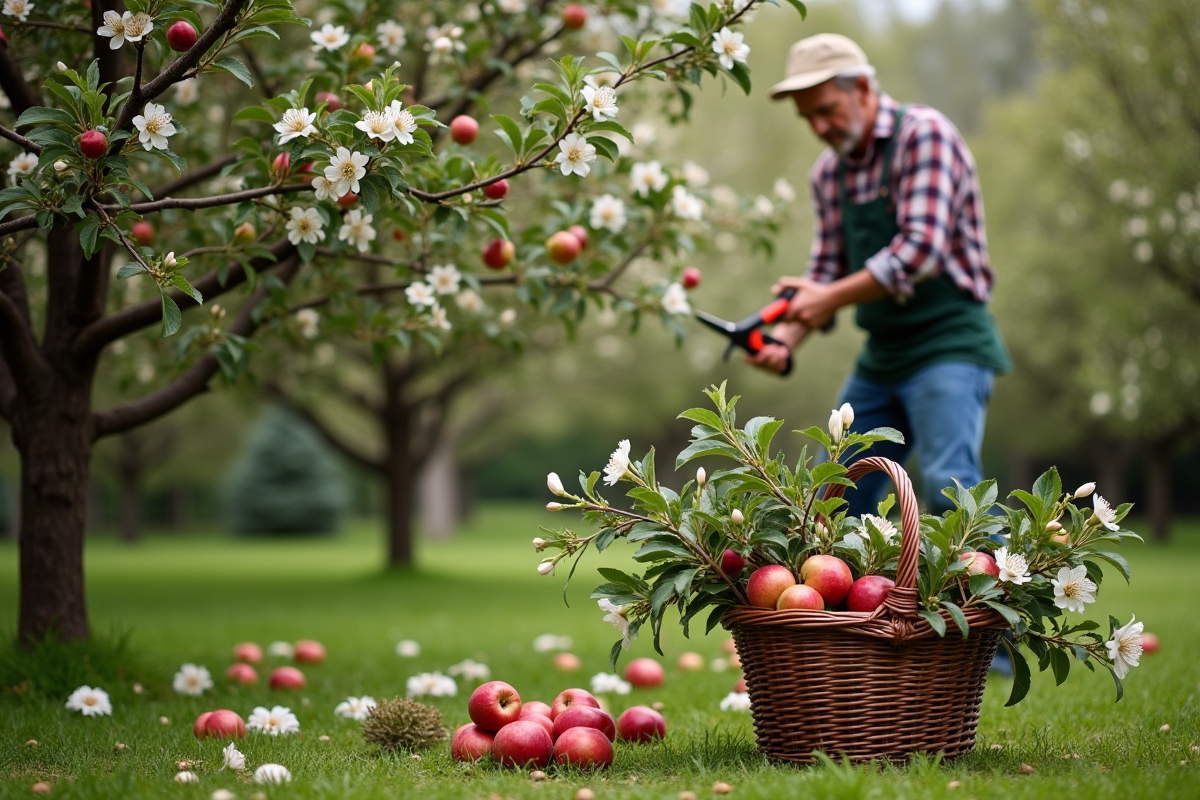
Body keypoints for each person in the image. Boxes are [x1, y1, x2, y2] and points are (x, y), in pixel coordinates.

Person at [747, 34, 1010, 518]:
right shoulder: (828, 174)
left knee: (949, 486)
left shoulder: (924, 135)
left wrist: (827, 298)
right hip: (883, 354)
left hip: (949, 341)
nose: (819, 126)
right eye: (808, 117)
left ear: (864, 88)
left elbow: (919, 251)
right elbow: (826, 270)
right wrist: (783, 341)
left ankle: (995, 590)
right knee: (833, 491)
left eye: (827, 109)